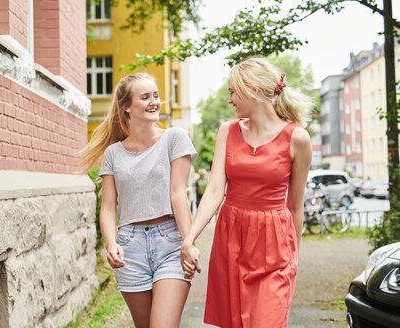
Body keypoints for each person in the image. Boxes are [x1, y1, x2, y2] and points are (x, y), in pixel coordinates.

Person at [181, 57, 313, 328]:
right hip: (232, 238)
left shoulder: (297, 138)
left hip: (275, 245)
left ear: (252, 89)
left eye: (232, 91)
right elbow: (216, 189)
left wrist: (294, 258)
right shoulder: (226, 131)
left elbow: (295, 206)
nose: (230, 100)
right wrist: (190, 238)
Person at [79, 72, 197, 328]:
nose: (154, 101)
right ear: (126, 107)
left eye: (155, 96)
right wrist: (111, 244)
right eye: (144, 97)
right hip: (130, 248)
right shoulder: (113, 153)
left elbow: (178, 194)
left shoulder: (174, 139)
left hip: (170, 244)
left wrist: (189, 242)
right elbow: (109, 208)